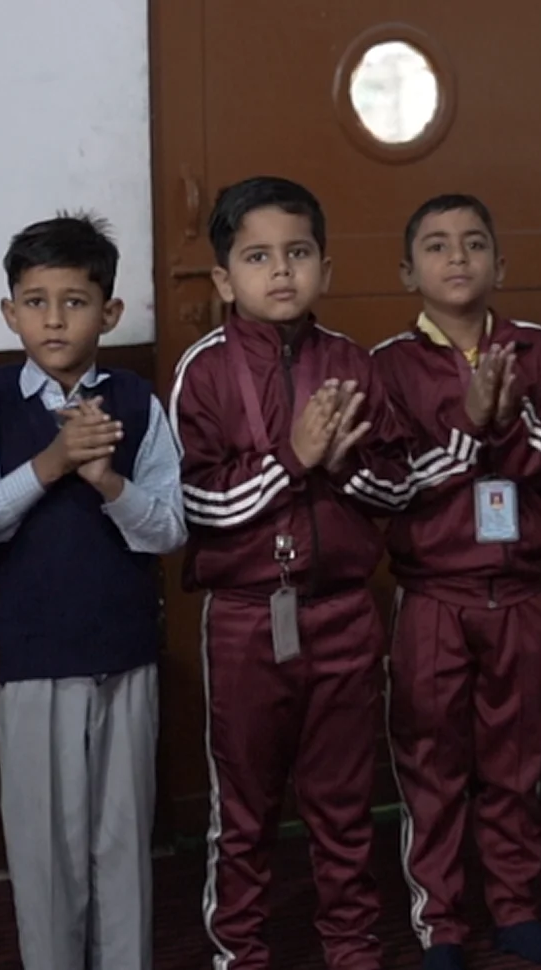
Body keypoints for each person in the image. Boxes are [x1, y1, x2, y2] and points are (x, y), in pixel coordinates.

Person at [168, 175, 412, 970]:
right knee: (245, 806)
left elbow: (397, 488)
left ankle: (353, 947)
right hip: (246, 617)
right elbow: (196, 503)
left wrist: (342, 469)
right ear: (223, 279)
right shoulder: (203, 371)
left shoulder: (351, 363)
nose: (280, 270)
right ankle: (240, 952)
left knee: (345, 801)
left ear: (325, 269)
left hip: (342, 611)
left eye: (298, 253)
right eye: (258, 256)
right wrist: (293, 459)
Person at [0, 213, 186, 970]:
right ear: (9, 311)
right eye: (35, 301)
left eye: (74, 301)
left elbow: (169, 529)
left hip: (125, 654)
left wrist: (107, 481)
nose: (54, 319)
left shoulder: (137, 402)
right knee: (46, 853)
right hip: (36, 661)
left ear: (109, 313)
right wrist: (50, 464)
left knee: (123, 847)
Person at [372, 194, 541, 970]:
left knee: (516, 764)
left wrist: (506, 418)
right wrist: (468, 423)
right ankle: (442, 926)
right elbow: (390, 483)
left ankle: (517, 911)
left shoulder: (535, 348)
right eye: (436, 245)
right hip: (435, 596)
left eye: (473, 243)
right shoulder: (387, 365)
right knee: (432, 765)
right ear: (408, 272)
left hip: (519, 594)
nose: (457, 257)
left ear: (501, 263)